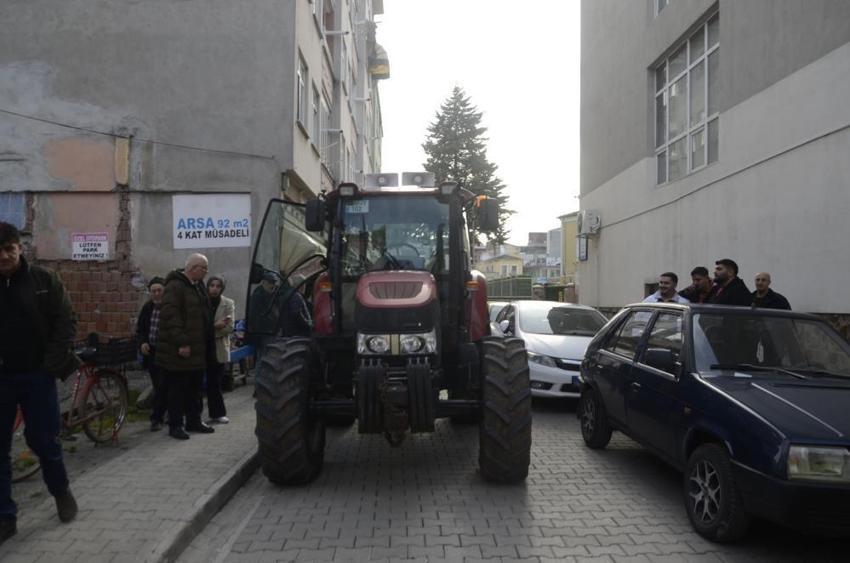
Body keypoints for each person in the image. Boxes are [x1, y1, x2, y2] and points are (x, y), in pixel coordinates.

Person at [0, 222, 79, 544]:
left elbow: (66, 321)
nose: (3, 256)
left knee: (43, 440)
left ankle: (60, 490)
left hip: (37, 375)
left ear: (20, 248)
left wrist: (49, 367)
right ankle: (6, 517)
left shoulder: (43, 281)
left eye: (9, 248)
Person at [156, 253, 215, 440]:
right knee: (177, 389)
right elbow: (171, 317)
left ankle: (194, 420)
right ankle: (176, 425)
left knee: (195, 388)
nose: (206, 272)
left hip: (198, 348)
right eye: (203, 268)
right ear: (193, 268)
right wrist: (182, 342)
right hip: (179, 350)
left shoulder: (198, 287)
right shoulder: (175, 286)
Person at [136, 277, 168, 431]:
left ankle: (158, 417)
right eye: (153, 291)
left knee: (164, 384)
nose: (156, 294)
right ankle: (159, 416)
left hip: (167, 352)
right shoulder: (147, 308)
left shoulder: (169, 308)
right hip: (152, 352)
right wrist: (142, 342)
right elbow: (141, 329)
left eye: (159, 290)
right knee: (158, 384)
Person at [206, 275, 234, 424]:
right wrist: (214, 326)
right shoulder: (202, 302)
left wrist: (211, 330)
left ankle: (217, 413)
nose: (215, 289)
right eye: (212, 285)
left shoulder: (228, 303)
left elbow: (229, 327)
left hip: (218, 348)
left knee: (215, 383)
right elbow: (198, 326)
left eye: (218, 286)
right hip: (202, 347)